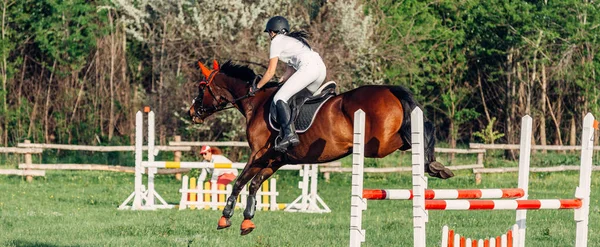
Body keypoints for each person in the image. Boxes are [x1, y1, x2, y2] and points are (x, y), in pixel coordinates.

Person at [250, 16, 327, 152]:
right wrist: (282, 80)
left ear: (272, 32)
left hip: (308, 68)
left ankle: (289, 134)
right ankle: (303, 129)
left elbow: (270, 72)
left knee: (279, 98)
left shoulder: (276, 41)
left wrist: (256, 87)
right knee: (297, 99)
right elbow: (290, 70)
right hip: (320, 70)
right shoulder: (293, 41)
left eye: (269, 33)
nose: (269, 36)